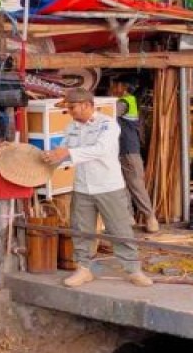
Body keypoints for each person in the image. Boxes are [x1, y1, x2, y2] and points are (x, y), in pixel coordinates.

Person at [44, 88, 153, 288]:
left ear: (86, 105)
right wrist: (50, 157)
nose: (69, 111)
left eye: (72, 107)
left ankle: (133, 270)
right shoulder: (71, 127)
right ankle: (83, 269)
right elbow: (63, 151)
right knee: (80, 230)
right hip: (82, 187)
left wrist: (68, 152)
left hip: (108, 186)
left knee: (119, 229)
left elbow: (100, 150)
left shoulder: (107, 125)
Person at [111, 77, 159, 233]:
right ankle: (129, 217)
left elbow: (108, 113)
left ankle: (150, 217)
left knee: (136, 184)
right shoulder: (125, 100)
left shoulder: (125, 102)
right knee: (121, 184)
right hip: (119, 149)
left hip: (129, 149)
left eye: (115, 85)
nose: (112, 88)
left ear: (123, 87)